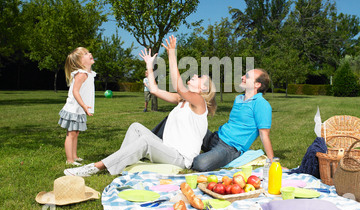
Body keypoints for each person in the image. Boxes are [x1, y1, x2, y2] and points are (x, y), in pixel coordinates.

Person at [64, 35, 217, 177]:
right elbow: (154, 90)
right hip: (167, 148)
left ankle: (95, 168)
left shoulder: (199, 103)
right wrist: (149, 66)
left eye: (199, 77)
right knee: (136, 127)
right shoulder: (181, 100)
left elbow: (178, 86)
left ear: (203, 89)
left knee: (145, 141)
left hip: (181, 158)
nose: (194, 76)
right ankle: (119, 162)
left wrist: (171, 53)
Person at [191, 68, 273, 172]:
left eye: (247, 76)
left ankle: (208, 155)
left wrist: (272, 161)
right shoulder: (239, 98)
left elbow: (264, 134)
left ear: (257, 85)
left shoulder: (261, 104)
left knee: (200, 163)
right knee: (187, 124)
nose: (242, 77)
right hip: (215, 137)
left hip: (229, 148)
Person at [58, 47, 96, 166]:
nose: (89, 53)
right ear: (80, 62)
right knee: (71, 134)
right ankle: (69, 160)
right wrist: (84, 105)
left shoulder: (88, 74)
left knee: (76, 133)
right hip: (74, 109)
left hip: (79, 109)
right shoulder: (81, 74)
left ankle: (74, 156)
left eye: (88, 52)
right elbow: (75, 92)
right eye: (85, 53)